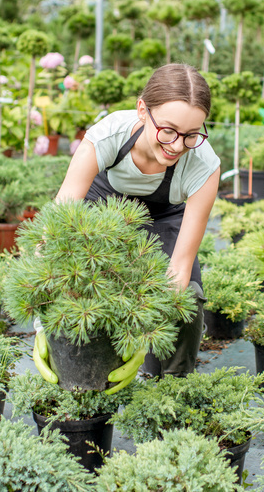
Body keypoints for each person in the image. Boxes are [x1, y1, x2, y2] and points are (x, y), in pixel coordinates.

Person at [33, 63, 221, 389]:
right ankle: (81, 374)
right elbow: (55, 226)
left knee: (188, 297)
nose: (177, 145)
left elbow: (177, 269)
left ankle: (173, 388)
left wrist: (141, 334)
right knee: (82, 280)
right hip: (104, 205)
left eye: (192, 135)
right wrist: (40, 322)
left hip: (164, 216)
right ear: (142, 110)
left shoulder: (204, 166)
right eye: (169, 130)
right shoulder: (109, 134)